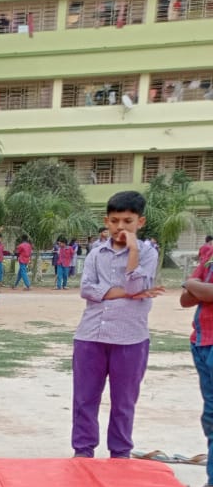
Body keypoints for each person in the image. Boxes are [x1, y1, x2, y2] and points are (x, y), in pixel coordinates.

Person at [72, 190, 163, 459]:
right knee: (84, 398)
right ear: (106, 221)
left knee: (124, 401)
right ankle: (83, 450)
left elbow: (136, 285)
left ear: (140, 222)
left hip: (130, 338)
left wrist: (133, 250)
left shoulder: (147, 253)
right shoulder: (95, 253)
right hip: (91, 335)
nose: (120, 227)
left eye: (127, 221)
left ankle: (120, 452)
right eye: (114, 221)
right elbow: (87, 289)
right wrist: (127, 292)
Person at [180, 248, 213, 487]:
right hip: (202, 341)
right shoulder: (210, 254)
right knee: (210, 415)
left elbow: (205, 292)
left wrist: (192, 283)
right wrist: (196, 287)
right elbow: (185, 300)